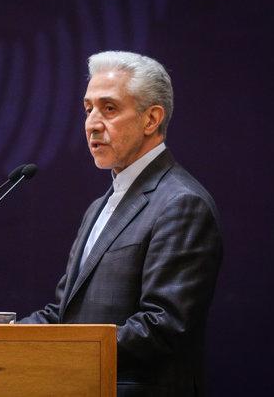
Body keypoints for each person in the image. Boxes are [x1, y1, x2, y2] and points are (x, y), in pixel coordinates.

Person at [18, 51, 223, 397]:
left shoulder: (181, 203)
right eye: (88, 109)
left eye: (109, 108)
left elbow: (163, 327)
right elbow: (63, 316)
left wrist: (66, 350)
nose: (92, 124)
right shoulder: (98, 208)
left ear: (151, 119)